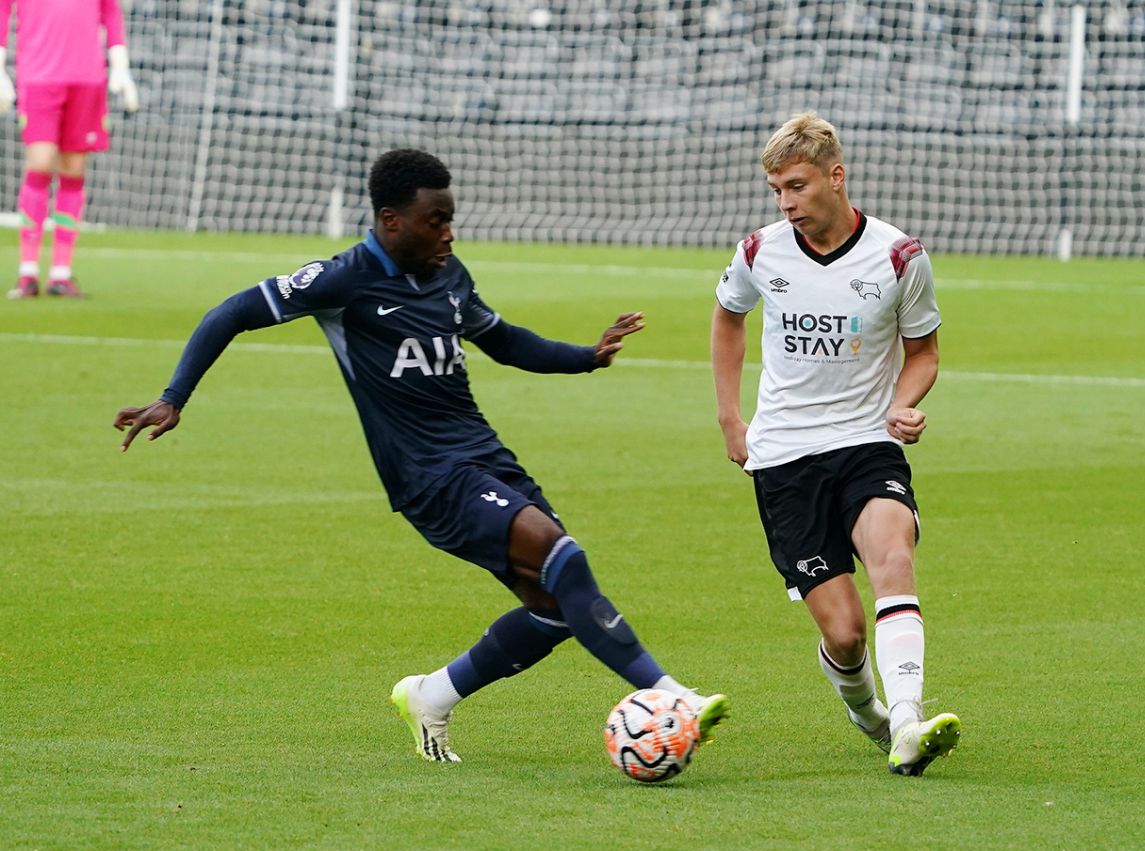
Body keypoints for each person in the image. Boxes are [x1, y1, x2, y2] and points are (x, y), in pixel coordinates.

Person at [115, 149, 729, 763]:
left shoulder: (449, 273)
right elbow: (233, 311)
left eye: (450, 218)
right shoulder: (343, 280)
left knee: (554, 609)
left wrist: (586, 356)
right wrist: (174, 398)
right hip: (427, 475)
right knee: (561, 559)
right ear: (391, 221)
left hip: (485, 456)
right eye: (435, 220)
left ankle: (430, 696)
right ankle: (673, 697)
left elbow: (504, 341)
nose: (448, 232)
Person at [710, 113, 958, 776]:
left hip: (866, 441)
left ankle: (907, 719)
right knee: (845, 633)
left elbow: (924, 352)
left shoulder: (899, 256)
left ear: (835, 177)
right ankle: (868, 710)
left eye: (796, 185)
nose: (786, 201)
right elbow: (729, 315)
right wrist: (731, 418)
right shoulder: (761, 252)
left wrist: (904, 404)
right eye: (776, 189)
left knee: (892, 554)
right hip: (785, 457)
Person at [1, 0, 139, 299]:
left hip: (86, 78)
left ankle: (61, 274)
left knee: (73, 169)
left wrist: (120, 66)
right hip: (39, 77)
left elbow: (110, 10)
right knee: (39, 163)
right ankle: (27, 272)